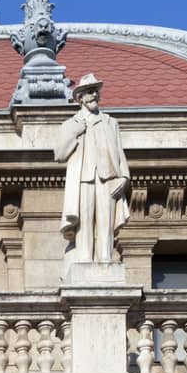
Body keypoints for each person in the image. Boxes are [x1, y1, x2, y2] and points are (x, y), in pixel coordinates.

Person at [53, 74, 129, 266]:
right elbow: (60, 154)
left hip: (108, 178)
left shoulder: (111, 122)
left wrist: (124, 177)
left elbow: (119, 152)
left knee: (106, 221)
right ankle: (84, 259)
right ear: (80, 98)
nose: (94, 95)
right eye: (89, 92)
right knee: (84, 221)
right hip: (83, 179)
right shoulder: (71, 124)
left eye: (96, 91)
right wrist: (76, 132)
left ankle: (105, 259)